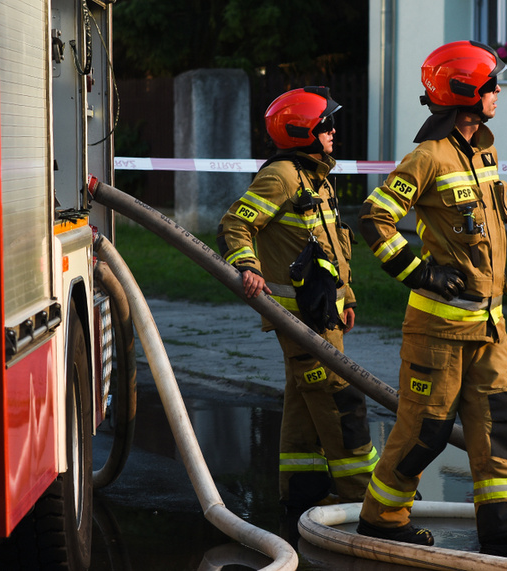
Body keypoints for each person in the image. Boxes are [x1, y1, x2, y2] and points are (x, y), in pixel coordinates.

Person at [354, 41, 507, 559]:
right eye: (491, 84)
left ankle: (504, 525)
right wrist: (419, 271)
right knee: (424, 432)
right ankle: (381, 520)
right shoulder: (428, 156)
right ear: (466, 92)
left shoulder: (484, 150)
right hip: (439, 331)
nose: (498, 91)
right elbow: (374, 218)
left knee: (501, 426)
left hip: (489, 327)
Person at [217, 87, 378, 519]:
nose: (333, 132)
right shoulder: (283, 177)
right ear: (303, 130)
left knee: (305, 400)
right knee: (338, 397)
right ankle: (364, 495)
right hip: (299, 319)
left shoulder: (316, 178)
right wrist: (247, 266)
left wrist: (347, 298)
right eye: (326, 125)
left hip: (323, 314)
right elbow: (235, 224)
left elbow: (332, 248)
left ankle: (301, 492)